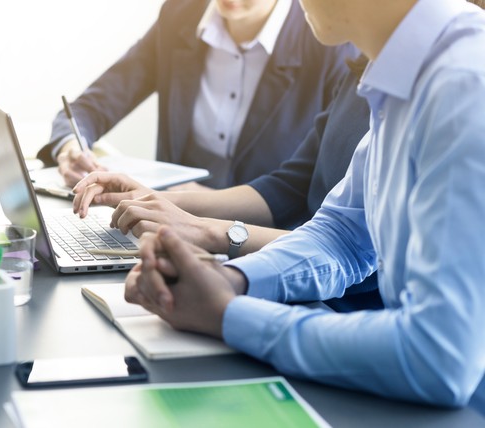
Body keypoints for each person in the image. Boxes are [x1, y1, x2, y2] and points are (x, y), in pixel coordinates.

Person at [126, 0, 485, 410]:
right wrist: (231, 280)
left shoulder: (465, 84)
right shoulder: (402, 73)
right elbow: (344, 236)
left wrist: (229, 316)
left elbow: (440, 357)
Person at [70, 55, 381, 312]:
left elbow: (359, 255)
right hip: (295, 285)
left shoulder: (410, 92)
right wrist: (157, 200)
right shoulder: (363, 68)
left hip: (342, 307)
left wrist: (207, 231)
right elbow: (289, 187)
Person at [37, 0, 355, 189]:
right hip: (164, 226)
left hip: (262, 241)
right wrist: (70, 148)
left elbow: (321, 192)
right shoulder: (181, 15)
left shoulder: (329, 43)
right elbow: (93, 105)